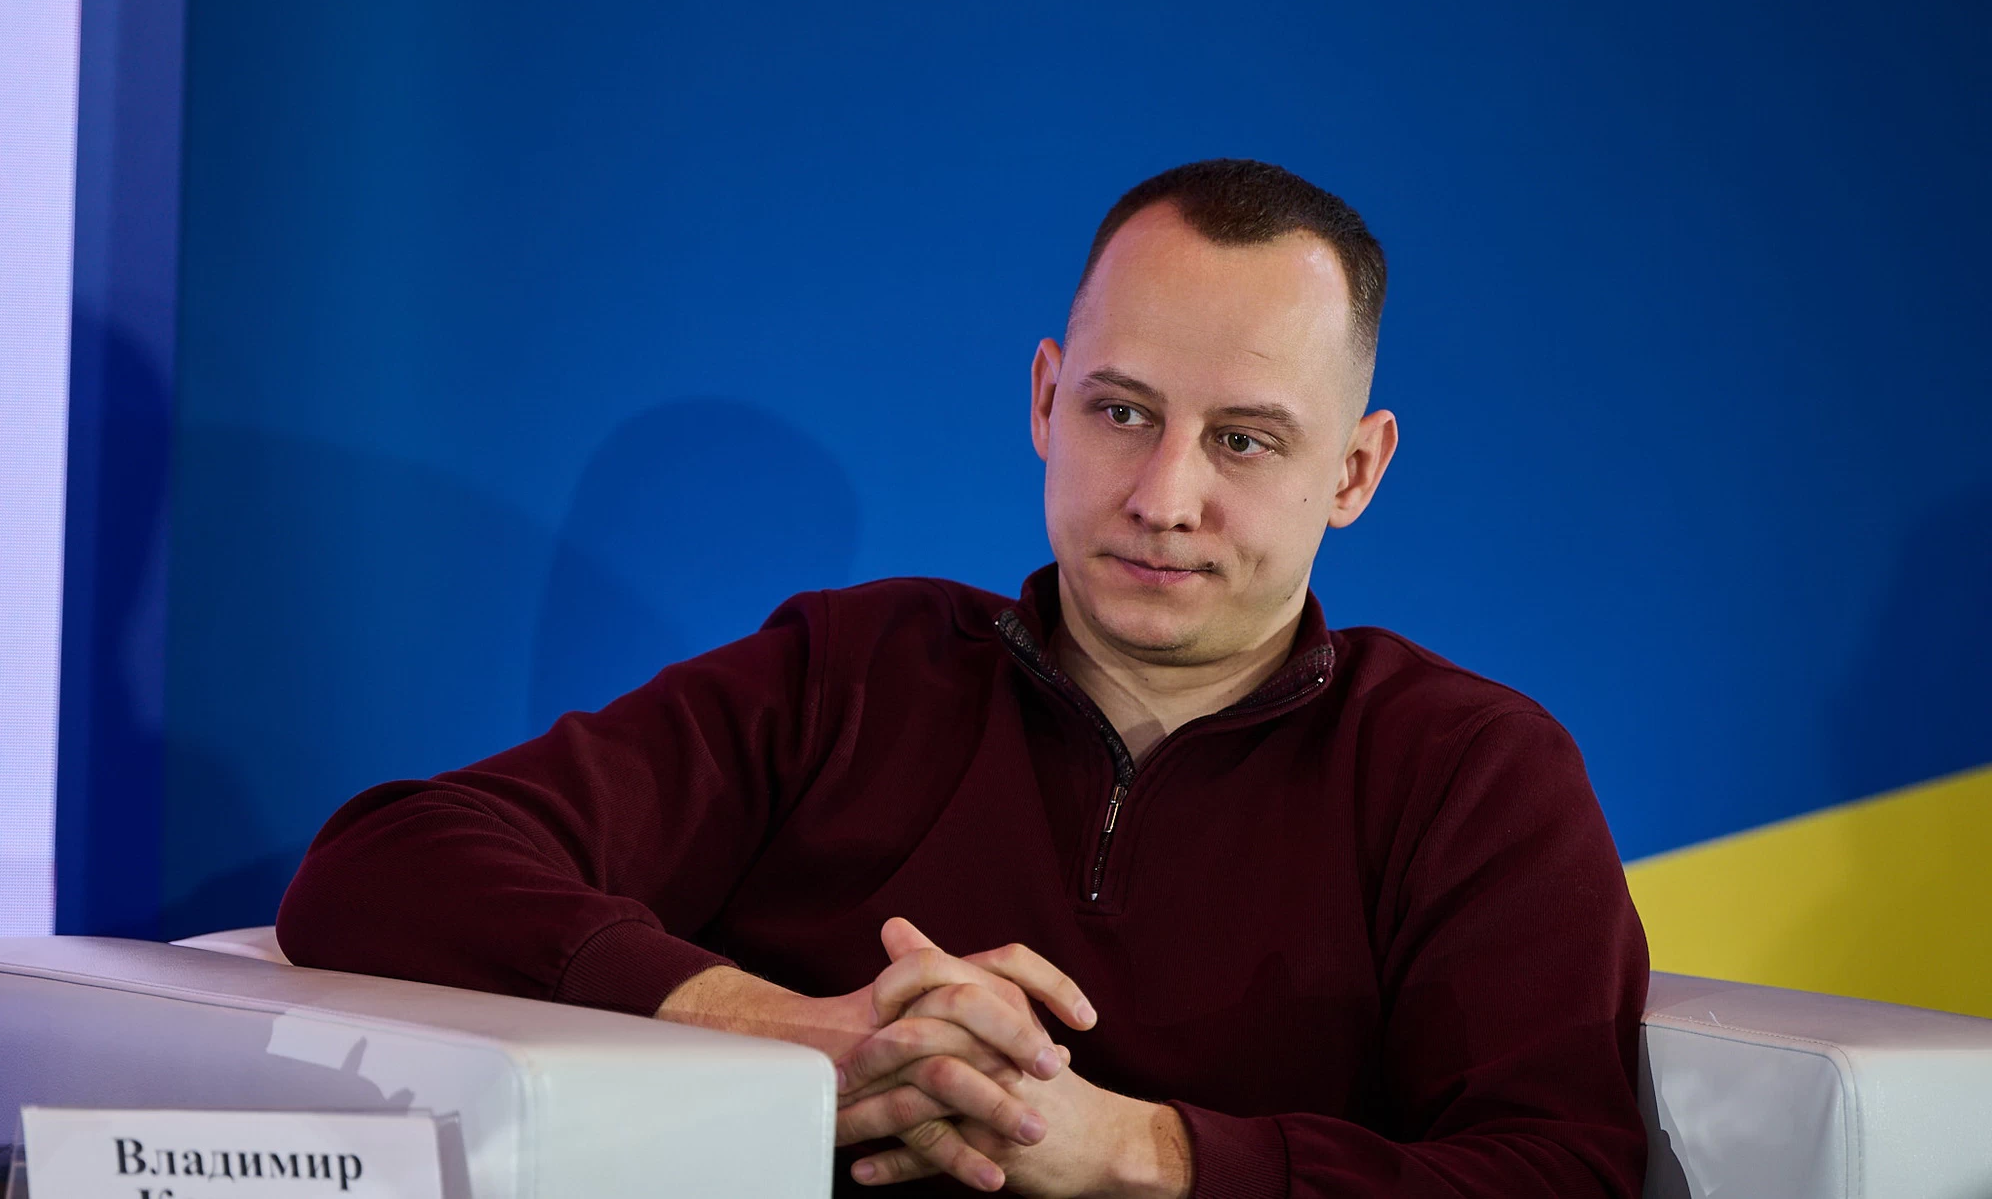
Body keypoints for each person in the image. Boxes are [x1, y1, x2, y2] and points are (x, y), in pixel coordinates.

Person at [278, 159, 1650, 1198]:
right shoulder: (850, 673)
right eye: (1122, 412)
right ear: (1046, 399)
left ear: (1354, 470)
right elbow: (384, 863)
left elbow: (1560, 1172)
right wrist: (792, 1036)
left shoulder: (1470, 772)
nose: (1163, 496)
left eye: (1243, 440)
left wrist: (1136, 1151)